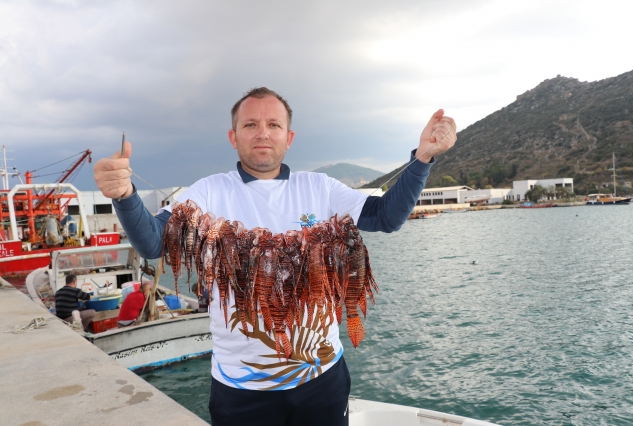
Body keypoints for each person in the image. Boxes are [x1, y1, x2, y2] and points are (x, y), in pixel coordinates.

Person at [94, 87, 456, 426]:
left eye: (273, 125)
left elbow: (387, 216)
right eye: (250, 124)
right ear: (234, 136)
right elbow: (154, 243)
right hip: (241, 390)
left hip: (322, 380)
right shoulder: (207, 191)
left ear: (289, 137)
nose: (262, 133)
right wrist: (125, 196)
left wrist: (422, 158)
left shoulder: (320, 187)